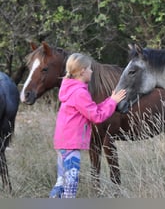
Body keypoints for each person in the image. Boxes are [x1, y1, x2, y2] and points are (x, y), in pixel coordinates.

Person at [49, 53, 126, 198]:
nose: (92, 71)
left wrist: (110, 99)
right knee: (70, 186)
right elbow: (97, 116)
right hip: (71, 144)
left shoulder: (70, 89)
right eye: (90, 69)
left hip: (63, 143)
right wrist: (113, 102)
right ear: (82, 71)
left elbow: (93, 109)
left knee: (61, 183)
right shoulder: (79, 93)